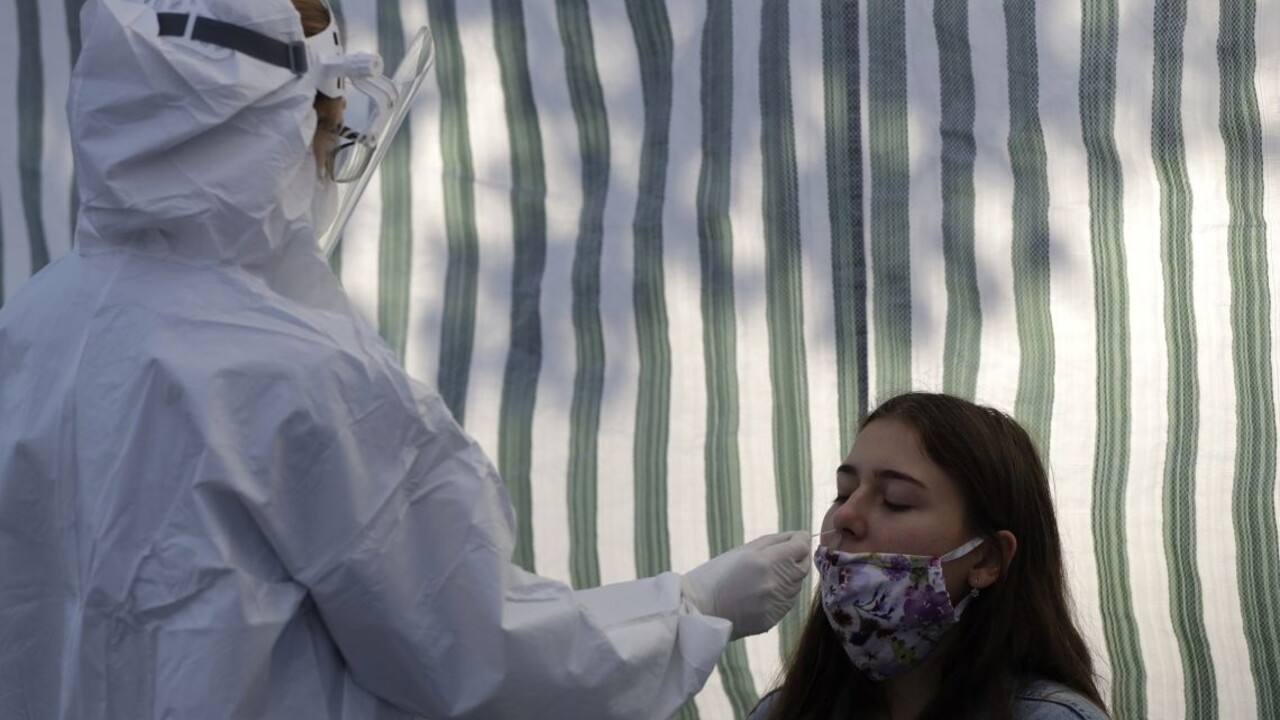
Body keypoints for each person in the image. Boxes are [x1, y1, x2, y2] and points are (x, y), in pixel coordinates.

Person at [0, 1, 811, 718]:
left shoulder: (32, 325)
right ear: (272, 131)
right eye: (329, 130)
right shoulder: (306, 375)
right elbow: (473, 648)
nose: (328, 159)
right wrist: (689, 608)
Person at [749, 393, 1109, 720]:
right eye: (844, 493)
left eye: (896, 500)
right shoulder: (782, 711)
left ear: (986, 560)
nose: (845, 516)